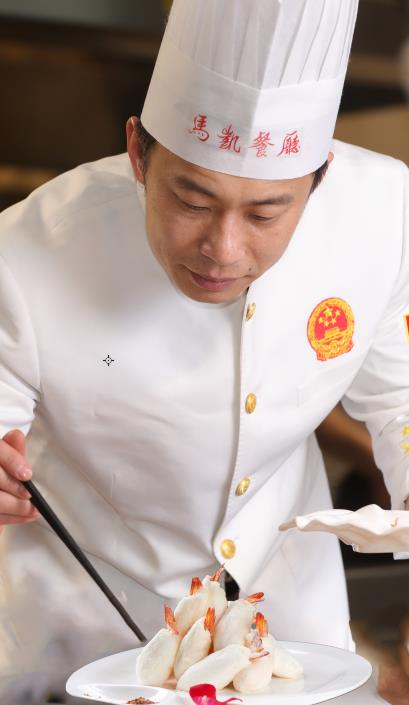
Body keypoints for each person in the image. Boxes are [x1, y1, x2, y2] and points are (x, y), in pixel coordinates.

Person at [0, 0, 408, 702]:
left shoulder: (383, 212)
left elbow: (399, 398)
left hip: (291, 628)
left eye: (266, 212)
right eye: (191, 201)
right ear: (137, 151)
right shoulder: (24, 252)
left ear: (320, 176)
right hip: (84, 632)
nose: (223, 249)